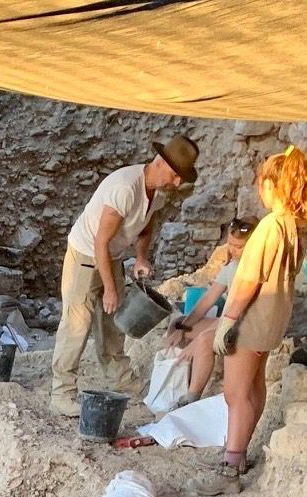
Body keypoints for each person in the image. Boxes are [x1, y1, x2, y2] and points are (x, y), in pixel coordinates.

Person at [189, 147, 307, 497]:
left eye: (262, 181)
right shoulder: (294, 226)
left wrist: (228, 319)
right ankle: (240, 451)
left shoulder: (269, 227)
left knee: (235, 393)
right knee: (254, 386)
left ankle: (230, 467)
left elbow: (248, 280)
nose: (259, 188)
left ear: (274, 185)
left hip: (252, 319)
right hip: (273, 320)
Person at [49, 136, 198, 417]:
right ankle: (62, 392)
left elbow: (145, 228)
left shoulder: (155, 191)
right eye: (176, 175)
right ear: (161, 163)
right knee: (77, 324)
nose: (177, 183)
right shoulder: (125, 188)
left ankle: (122, 381)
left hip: (111, 256)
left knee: (114, 324)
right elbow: (99, 242)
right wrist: (109, 288)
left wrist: (140, 257)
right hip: (85, 255)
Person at [160, 218, 253, 405]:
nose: (233, 250)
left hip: (241, 325)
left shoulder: (251, 271)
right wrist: (182, 327)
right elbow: (208, 299)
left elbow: (235, 314)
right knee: (177, 323)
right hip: (226, 320)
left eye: (239, 247)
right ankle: (173, 381)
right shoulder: (232, 266)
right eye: (231, 245)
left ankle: (191, 397)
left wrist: (195, 344)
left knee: (203, 340)